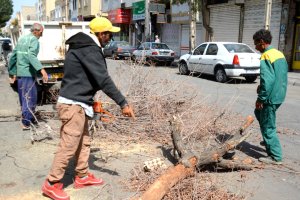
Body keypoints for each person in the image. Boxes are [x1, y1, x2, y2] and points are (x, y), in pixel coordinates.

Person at [41, 17, 135, 200]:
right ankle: (51, 183)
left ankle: (82, 176)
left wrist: (90, 99)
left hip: (79, 103)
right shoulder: (89, 49)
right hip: (72, 105)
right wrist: (123, 103)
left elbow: (83, 77)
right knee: (68, 145)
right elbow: (103, 80)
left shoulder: (82, 46)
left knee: (83, 142)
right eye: (108, 34)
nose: (110, 38)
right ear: (101, 34)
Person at [253, 29, 288, 165]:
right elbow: (278, 76)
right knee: (258, 113)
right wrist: (261, 87)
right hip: (279, 94)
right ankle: (268, 139)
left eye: (256, 44)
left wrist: (261, 98)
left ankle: (275, 156)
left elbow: (267, 80)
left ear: (262, 42)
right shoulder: (279, 54)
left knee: (268, 126)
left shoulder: (266, 56)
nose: (255, 47)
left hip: (270, 97)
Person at [8, 23, 48, 130]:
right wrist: (42, 70)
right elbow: (31, 55)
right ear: (36, 31)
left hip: (21, 74)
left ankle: (28, 118)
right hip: (28, 74)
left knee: (24, 98)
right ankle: (26, 122)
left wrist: (12, 72)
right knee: (30, 98)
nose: (42, 34)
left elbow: (13, 56)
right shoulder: (34, 40)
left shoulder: (22, 39)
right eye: (41, 32)